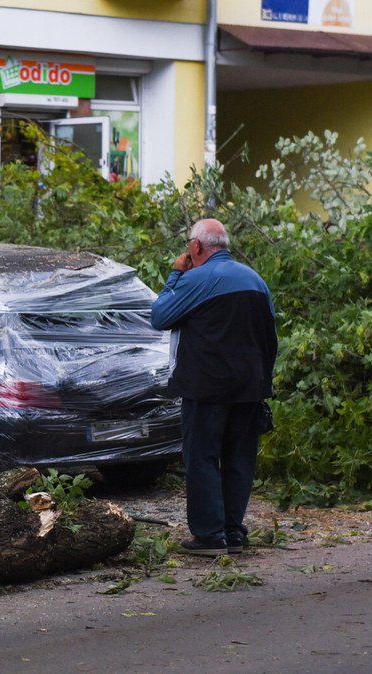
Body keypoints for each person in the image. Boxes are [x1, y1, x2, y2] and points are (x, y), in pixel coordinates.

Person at [150, 219, 277, 556]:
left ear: (195, 247)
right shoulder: (254, 279)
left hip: (206, 386)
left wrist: (175, 274)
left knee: (203, 458)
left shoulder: (195, 279)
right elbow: (271, 334)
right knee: (238, 459)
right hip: (250, 386)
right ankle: (234, 532)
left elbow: (160, 316)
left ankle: (209, 537)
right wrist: (266, 381)